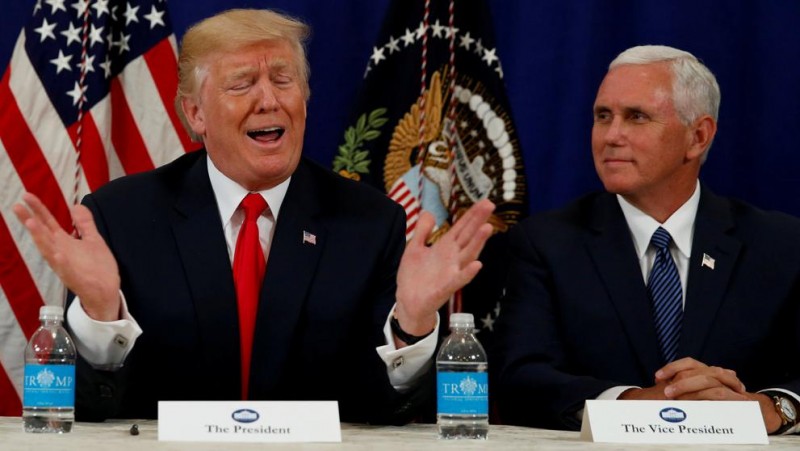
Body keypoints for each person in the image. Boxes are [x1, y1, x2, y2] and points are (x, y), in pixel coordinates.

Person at [13, 9, 494, 423]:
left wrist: (412, 324)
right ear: (196, 114)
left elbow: (387, 413)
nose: (269, 100)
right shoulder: (123, 218)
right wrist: (101, 317)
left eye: (284, 80)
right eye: (242, 84)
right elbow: (88, 409)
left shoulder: (369, 223)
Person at [493, 45, 800, 434]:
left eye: (636, 117)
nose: (611, 136)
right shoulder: (546, 243)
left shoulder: (781, 244)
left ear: (698, 136)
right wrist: (634, 403)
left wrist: (774, 408)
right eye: (603, 116)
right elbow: (520, 378)